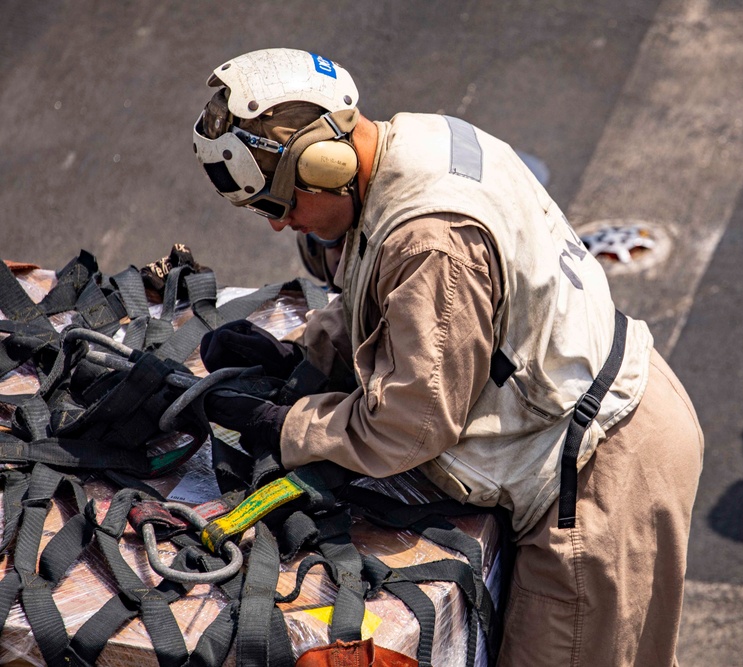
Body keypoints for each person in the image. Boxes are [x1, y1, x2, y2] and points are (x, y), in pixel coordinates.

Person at [192, 48, 703, 666]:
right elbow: (390, 298)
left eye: (278, 205)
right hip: (618, 409)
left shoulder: (430, 240)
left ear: (324, 165)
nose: (280, 226)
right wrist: (302, 354)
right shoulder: (419, 145)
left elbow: (412, 425)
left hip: (598, 475)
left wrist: (284, 426)